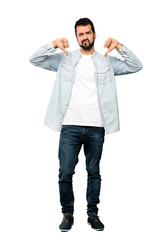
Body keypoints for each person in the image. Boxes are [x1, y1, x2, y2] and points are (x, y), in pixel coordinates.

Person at [29, 17, 143, 232]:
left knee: (93, 171)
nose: (84, 37)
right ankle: (67, 214)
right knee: (65, 172)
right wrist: (52, 45)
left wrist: (119, 46)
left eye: (88, 33)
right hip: (69, 126)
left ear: (94, 34)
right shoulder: (64, 59)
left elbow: (136, 66)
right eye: (80, 34)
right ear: (76, 37)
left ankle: (92, 213)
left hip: (96, 127)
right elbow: (34, 60)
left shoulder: (107, 62)